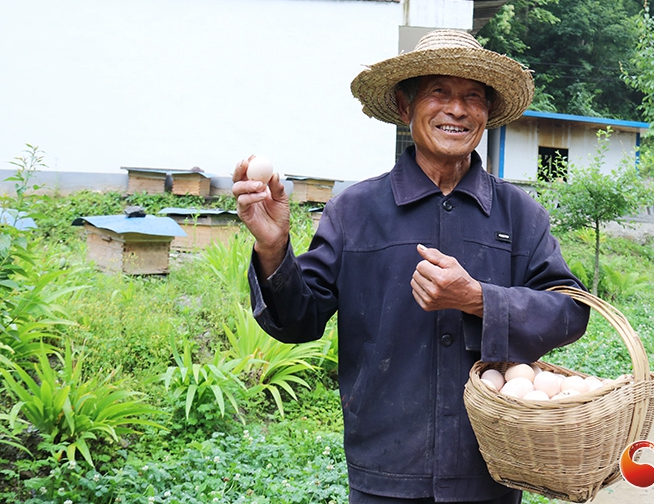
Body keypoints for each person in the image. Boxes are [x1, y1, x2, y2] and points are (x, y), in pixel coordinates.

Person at [232, 29, 590, 504]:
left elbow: (570, 311)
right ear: (405, 108)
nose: (457, 109)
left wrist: (479, 299)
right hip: (384, 471)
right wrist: (275, 247)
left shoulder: (519, 214)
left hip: (489, 471)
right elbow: (299, 320)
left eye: (472, 97)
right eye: (439, 92)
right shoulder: (355, 210)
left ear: (486, 115)